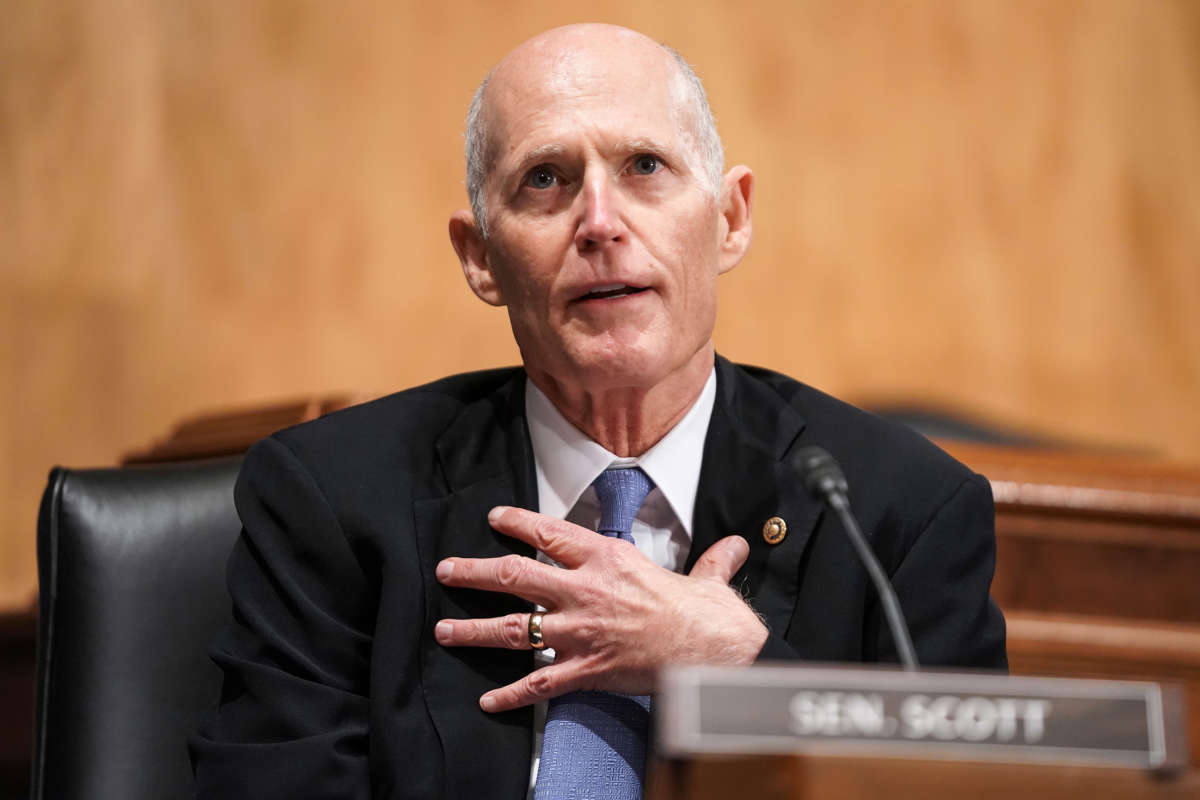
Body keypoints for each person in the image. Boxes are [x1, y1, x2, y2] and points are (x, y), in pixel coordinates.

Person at [191, 23, 1006, 800]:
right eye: (545, 180)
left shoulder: (902, 513)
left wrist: (739, 668)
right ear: (480, 259)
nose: (601, 223)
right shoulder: (332, 501)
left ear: (730, 219)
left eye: (646, 166)